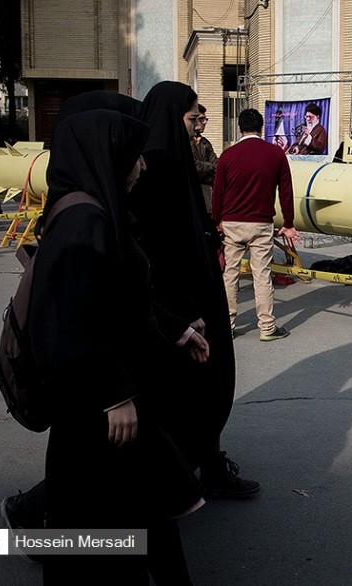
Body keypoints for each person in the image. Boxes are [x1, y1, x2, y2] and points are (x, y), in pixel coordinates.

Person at [30, 109, 203, 583]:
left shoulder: (90, 210)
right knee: (102, 523)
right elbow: (76, 320)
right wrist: (114, 395)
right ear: (108, 157)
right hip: (96, 409)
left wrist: (176, 330)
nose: (142, 167)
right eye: (133, 158)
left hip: (98, 400)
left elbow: (125, 299)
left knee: (129, 517)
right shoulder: (85, 221)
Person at [132, 81, 260, 499]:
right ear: (173, 117)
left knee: (205, 388)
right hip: (178, 307)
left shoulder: (177, 158)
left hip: (195, 296)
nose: (197, 125)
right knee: (179, 394)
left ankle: (203, 463)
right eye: (192, 118)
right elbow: (158, 249)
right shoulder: (155, 165)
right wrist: (184, 311)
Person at [213, 108, 299, 341]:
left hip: (231, 223)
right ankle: (267, 327)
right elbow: (287, 191)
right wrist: (289, 222)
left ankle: (228, 326)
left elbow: (218, 192)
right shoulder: (275, 154)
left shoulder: (228, 156)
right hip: (261, 224)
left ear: (239, 128)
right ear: (261, 128)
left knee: (229, 275)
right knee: (262, 275)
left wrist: (217, 220)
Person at [191, 104, 217, 220]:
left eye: (205, 119)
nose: (204, 122)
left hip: (207, 200)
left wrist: (206, 168)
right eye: (201, 119)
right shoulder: (184, 141)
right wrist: (208, 167)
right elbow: (192, 167)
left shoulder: (205, 143)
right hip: (191, 199)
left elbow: (217, 166)